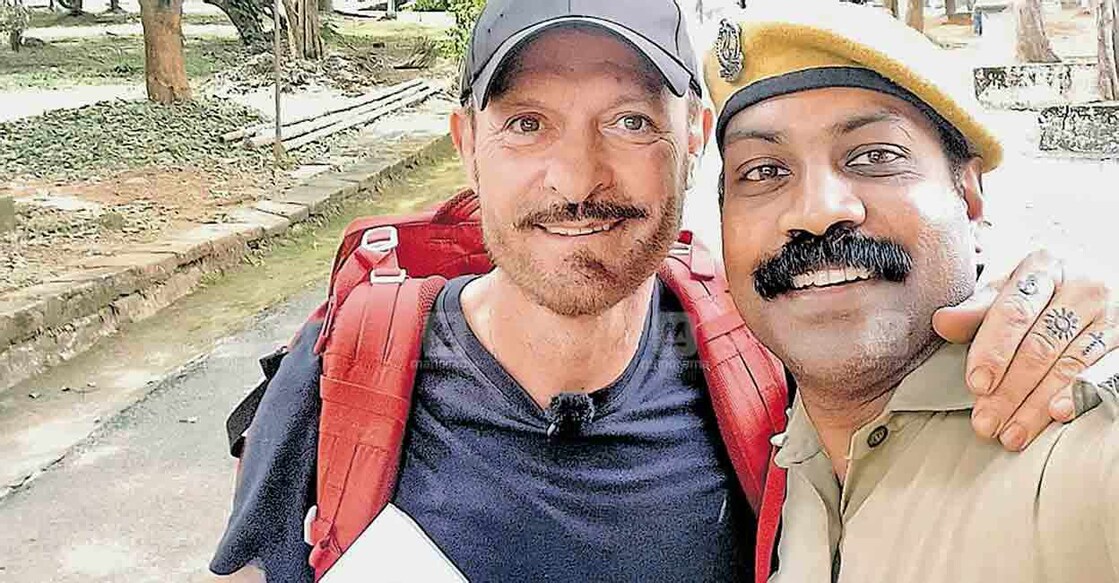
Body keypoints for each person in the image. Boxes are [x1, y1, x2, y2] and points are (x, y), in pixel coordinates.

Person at [212, 1, 1119, 581]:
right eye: (526, 123)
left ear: (690, 137)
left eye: (628, 121)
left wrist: (1050, 307)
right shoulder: (345, 366)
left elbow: (896, 309)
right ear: (466, 144)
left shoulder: (767, 360)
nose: (577, 178)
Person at [707, 3, 1119, 581]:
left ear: (969, 199)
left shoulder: (1083, 439)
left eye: (875, 157)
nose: (818, 212)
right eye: (763, 171)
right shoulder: (780, 452)